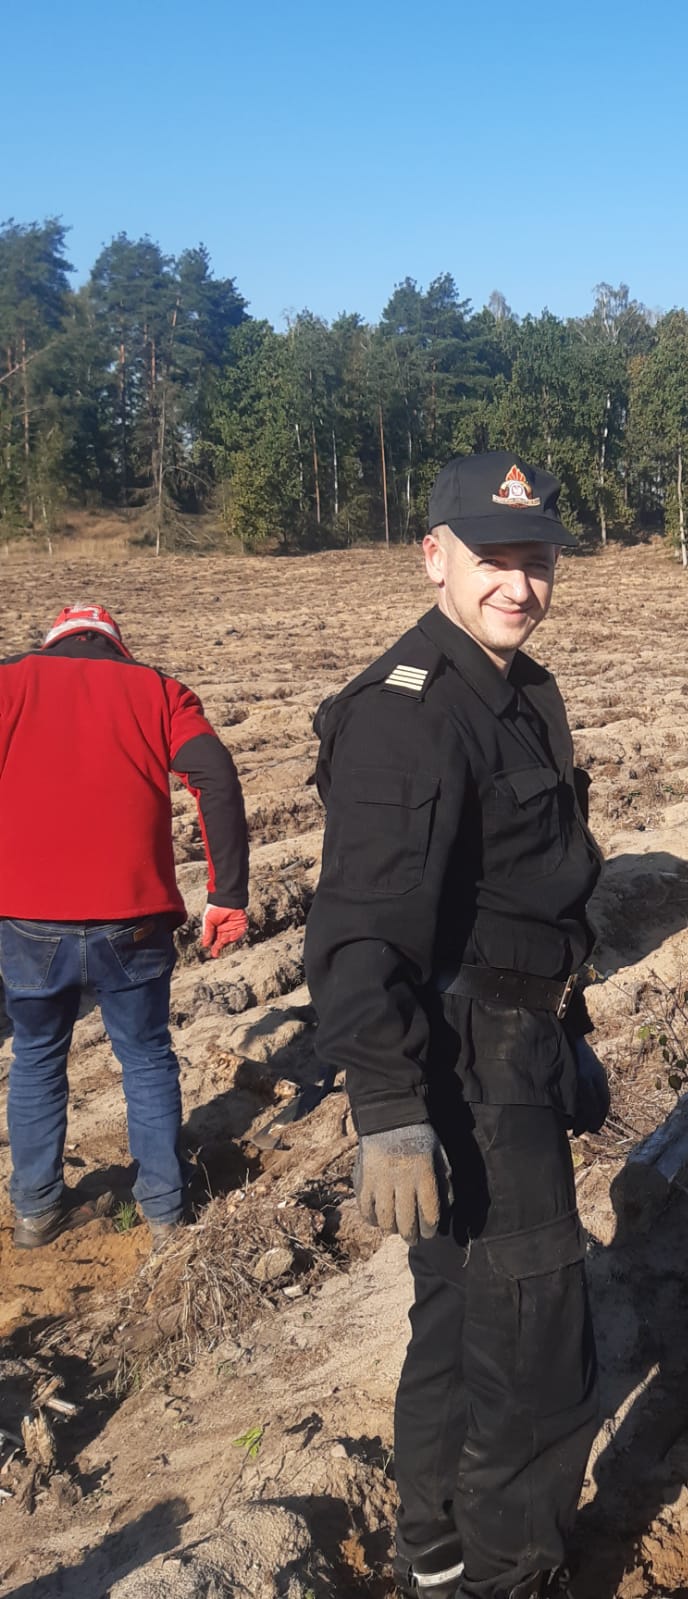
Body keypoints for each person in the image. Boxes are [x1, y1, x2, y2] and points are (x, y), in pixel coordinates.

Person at [305, 452, 609, 1599]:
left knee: (457, 1313)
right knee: (534, 1350)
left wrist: (568, 1026)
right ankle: (508, 1575)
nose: (519, 585)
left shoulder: (518, 689)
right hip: (471, 1072)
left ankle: (432, 1548)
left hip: (519, 1043)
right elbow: (359, 933)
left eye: (537, 561)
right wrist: (388, 1109)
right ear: (435, 556)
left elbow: (528, 885)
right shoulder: (410, 713)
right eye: (494, 559)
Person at [0, 604, 248, 1251]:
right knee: (145, 1055)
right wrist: (227, 894)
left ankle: (36, 1211)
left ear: (54, 641)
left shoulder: (9, 682)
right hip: (133, 917)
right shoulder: (158, 690)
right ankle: (164, 1211)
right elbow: (216, 775)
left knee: (36, 1055)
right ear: (115, 645)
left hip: (29, 919)